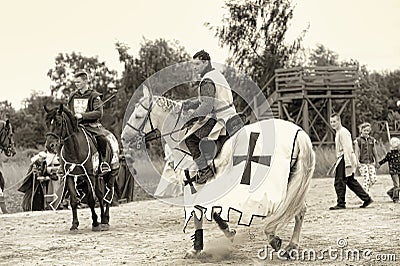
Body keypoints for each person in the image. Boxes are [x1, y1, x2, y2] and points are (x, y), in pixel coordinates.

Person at [183, 50, 242, 184]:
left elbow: (207, 106)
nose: (195, 67)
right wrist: (190, 104)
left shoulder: (207, 80)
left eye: (197, 64)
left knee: (190, 139)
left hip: (221, 118)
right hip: (231, 113)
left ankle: (205, 171)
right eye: (194, 64)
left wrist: (191, 118)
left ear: (206, 62)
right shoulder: (216, 75)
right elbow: (209, 99)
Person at [67, 70, 111, 175]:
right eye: (75, 82)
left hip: (90, 126)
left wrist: (82, 116)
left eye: (79, 82)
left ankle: (103, 163)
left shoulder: (94, 96)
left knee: (102, 139)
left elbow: (98, 113)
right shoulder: (72, 96)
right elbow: (69, 111)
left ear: (86, 81)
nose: (76, 84)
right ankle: (62, 163)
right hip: (75, 127)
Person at [329, 113, 373, 210]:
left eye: (334, 121)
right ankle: (366, 199)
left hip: (345, 158)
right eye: (331, 122)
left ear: (339, 121)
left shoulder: (343, 132)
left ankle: (341, 203)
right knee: (350, 181)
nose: (332, 124)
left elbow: (347, 148)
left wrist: (347, 163)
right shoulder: (338, 132)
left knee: (339, 181)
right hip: (343, 158)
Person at [354, 122, 379, 192]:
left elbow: (375, 152)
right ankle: (366, 195)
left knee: (374, 179)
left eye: (367, 130)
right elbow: (356, 152)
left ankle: (363, 191)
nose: (366, 132)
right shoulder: (358, 140)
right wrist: (357, 162)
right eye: (364, 130)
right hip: (362, 162)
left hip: (371, 162)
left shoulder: (372, 140)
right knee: (366, 178)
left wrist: (377, 161)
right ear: (361, 130)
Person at [377, 137, 400, 203]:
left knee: (398, 186)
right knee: (397, 185)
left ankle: (391, 192)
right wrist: (379, 164)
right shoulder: (390, 154)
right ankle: (395, 198)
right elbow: (384, 160)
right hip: (393, 171)